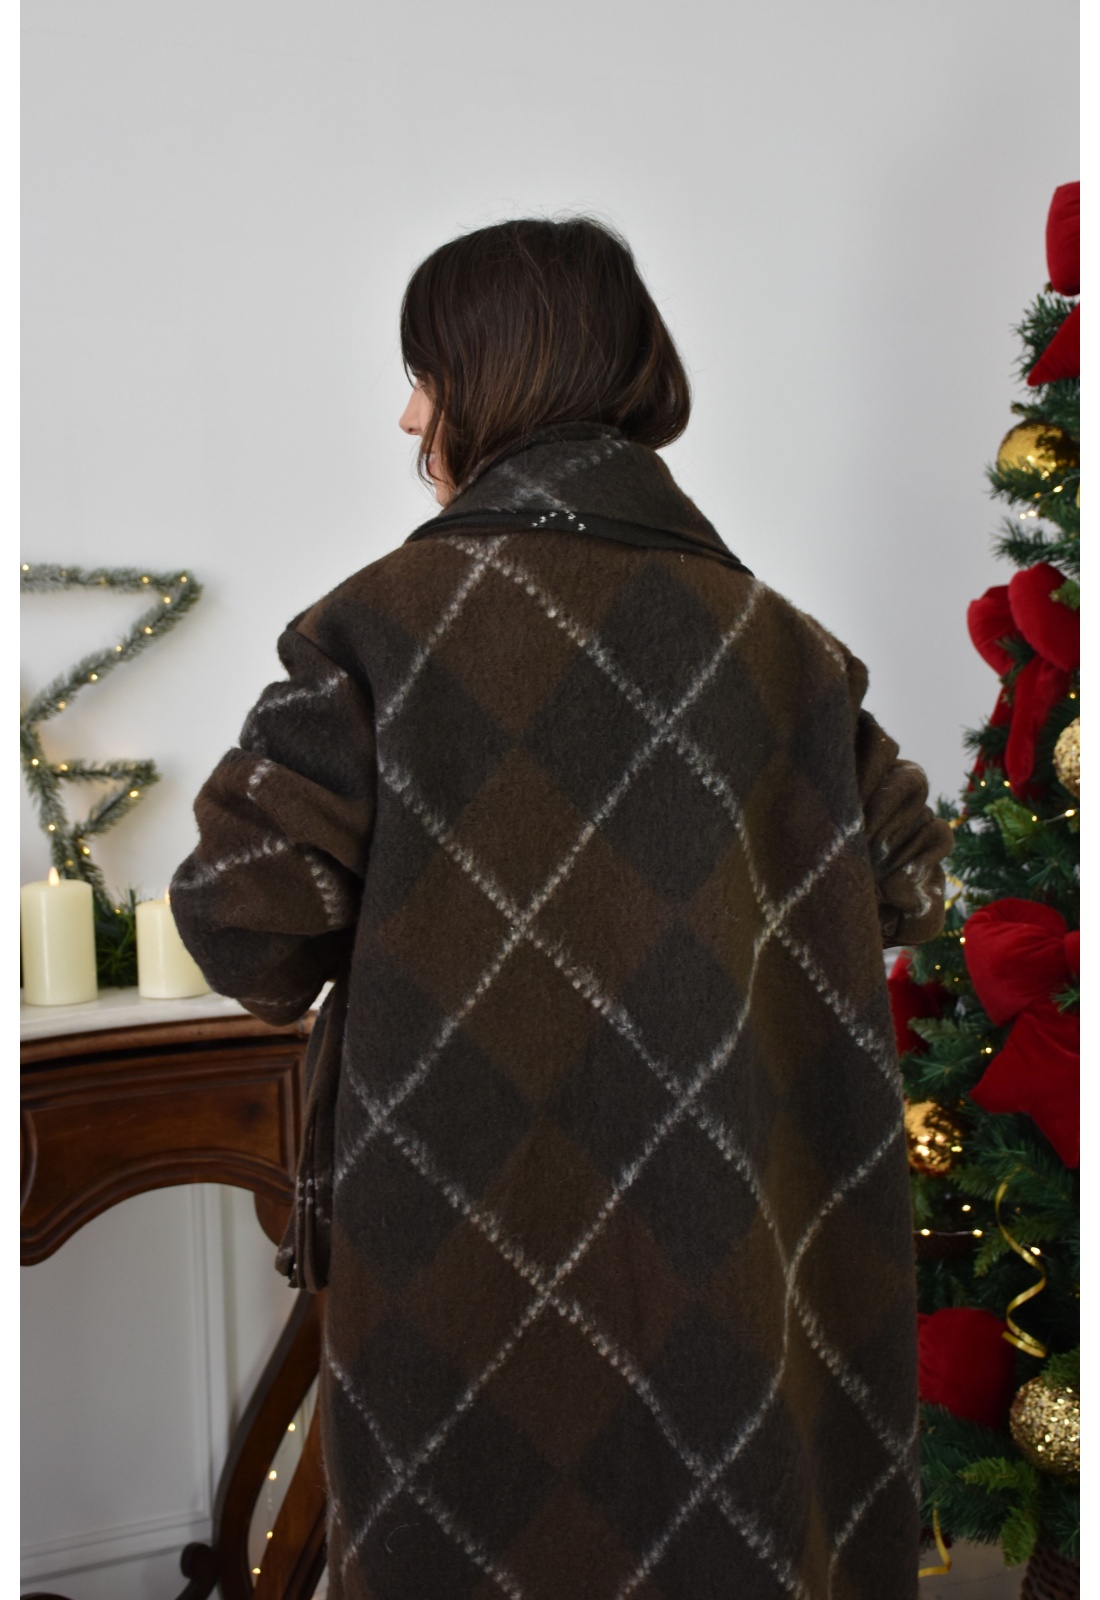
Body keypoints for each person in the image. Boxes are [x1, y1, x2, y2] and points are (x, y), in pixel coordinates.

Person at [172, 216, 953, 1600]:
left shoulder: (379, 626)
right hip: (741, 1267)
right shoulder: (791, 649)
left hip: (464, 1266)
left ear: (497, 375)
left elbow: (243, 920)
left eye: (424, 373)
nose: (409, 415)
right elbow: (909, 883)